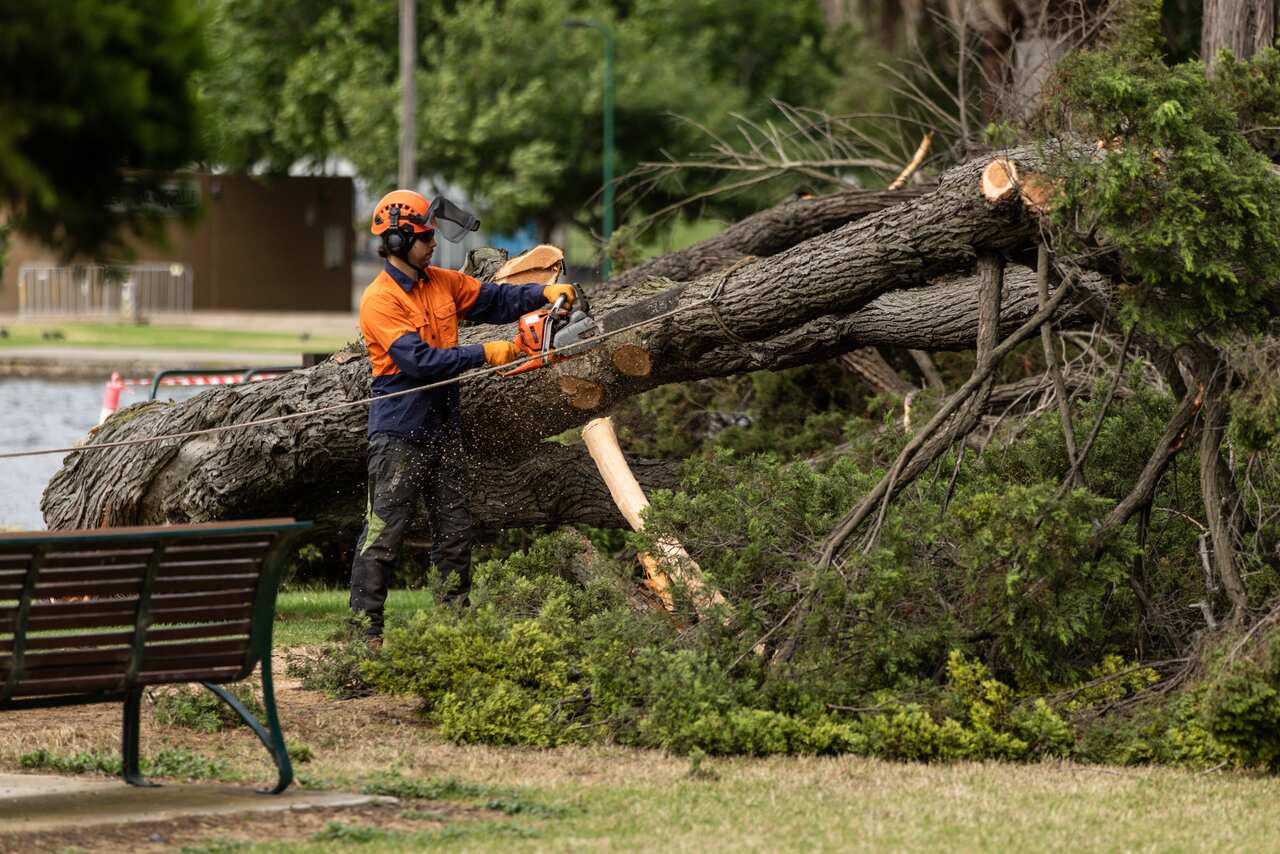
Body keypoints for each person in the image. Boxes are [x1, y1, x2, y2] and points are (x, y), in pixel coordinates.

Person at [350, 189, 575, 642]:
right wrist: (484, 352)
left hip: (442, 427)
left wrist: (543, 292)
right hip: (399, 431)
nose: (433, 242)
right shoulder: (380, 300)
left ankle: (453, 628)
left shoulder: (442, 282)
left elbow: (494, 299)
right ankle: (365, 633)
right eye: (425, 235)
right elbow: (419, 363)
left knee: (454, 533)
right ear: (397, 242)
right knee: (383, 535)